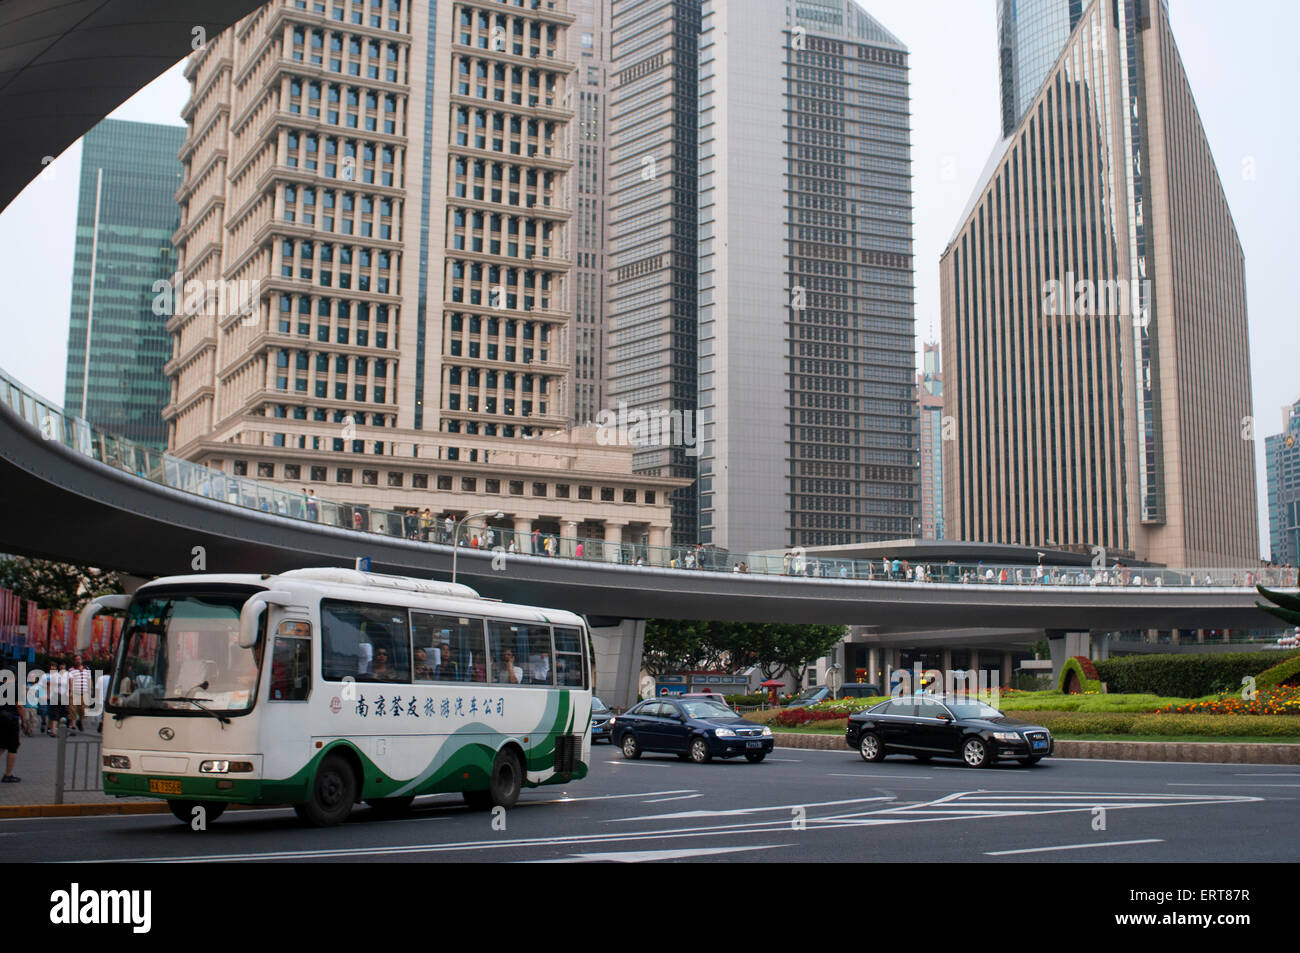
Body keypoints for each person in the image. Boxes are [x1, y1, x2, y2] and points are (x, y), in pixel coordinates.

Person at [0, 665, 23, 783]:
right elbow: (19, 706)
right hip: (11, 720)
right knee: (13, 747)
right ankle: (8, 775)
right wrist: (25, 721)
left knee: (1, 745)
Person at [68, 654, 92, 733]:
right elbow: (70, 680)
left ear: (81, 660)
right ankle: (73, 726)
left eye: (79, 659)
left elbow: (89, 680)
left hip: (84, 693)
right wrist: (71, 691)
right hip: (75, 693)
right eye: (76, 659)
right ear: (74, 661)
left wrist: (90, 690)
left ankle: (79, 721)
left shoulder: (87, 669)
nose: (78, 661)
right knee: (73, 709)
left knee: (84, 710)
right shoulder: (71, 670)